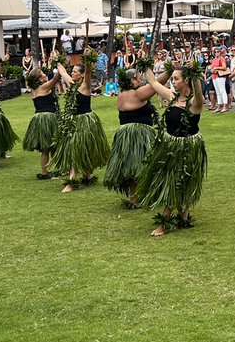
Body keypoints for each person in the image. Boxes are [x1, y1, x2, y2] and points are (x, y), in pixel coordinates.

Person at [136, 63, 207, 236]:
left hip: (187, 149)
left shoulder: (195, 103)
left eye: (176, 79)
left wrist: (194, 73)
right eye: (172, 78)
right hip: (170, 146)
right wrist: (145, 62)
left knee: (177, 181)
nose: (172, 82)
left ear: (186, 80)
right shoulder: (172, 96)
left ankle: (163, 222)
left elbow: (198, 92)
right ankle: (183, 216)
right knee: (173, 180)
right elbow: (153, 82)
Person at [104, 64, 163, 208]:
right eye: (139, 78)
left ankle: (134, 197)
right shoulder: (137, 94)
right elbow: (157, 83)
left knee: (132, 166)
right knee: (140, 165)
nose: (142, 80)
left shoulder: (122, 93)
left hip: (125, 134)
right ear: (132, 81)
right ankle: (139, 196)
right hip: (138, 134)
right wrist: (170, 69)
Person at [51, 54, 110, 192]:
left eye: (75, 71)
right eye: (72, 71)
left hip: (85, 122)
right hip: (74, 122)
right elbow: (62, 71)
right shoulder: (72, 84)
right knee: (78, 149)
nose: (72, 73)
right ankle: (87, 176)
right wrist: (56, 60)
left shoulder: (85, 86)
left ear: (82, 75)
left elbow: (88, 73)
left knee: (79, 149)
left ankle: (71, 182)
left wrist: (88, 60)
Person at [22, 66, 62, 179]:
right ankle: (60, 169)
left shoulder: (34, 89)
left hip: (38, 118)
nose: (45, 74)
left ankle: (45, 173)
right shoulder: (43, 87)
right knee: (55, 145)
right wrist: (60, 66)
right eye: (43, 73)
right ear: (39, 79)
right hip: (48, 118)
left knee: (45, 148)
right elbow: (56, 79)